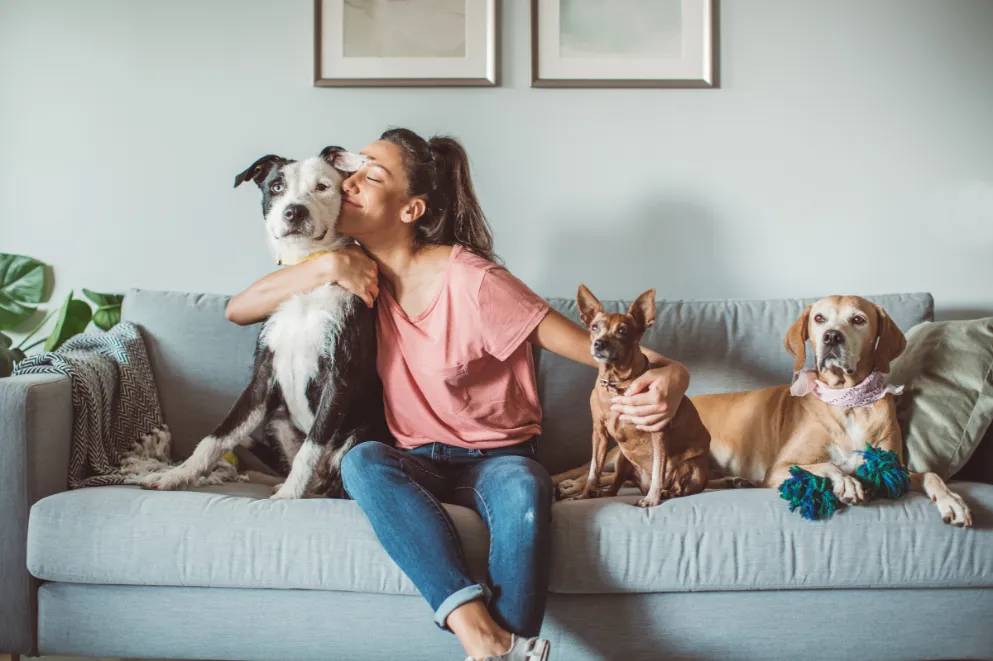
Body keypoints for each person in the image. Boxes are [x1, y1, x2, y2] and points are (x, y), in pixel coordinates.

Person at [225, 128, 689, 661]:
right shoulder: (351, 270)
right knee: (363, 462)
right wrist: (327, 265)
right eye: (352, 172)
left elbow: (597, 350)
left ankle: (497, 649)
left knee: (523, 492)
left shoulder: (475, 281)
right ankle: (485, 638)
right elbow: (238, 309)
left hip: (498, 459)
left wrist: (675, 374)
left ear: (410, 209)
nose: (349, 182)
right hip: (414, 459)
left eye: (370, 176)